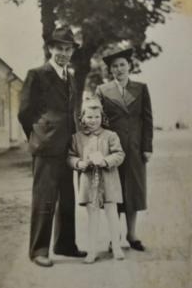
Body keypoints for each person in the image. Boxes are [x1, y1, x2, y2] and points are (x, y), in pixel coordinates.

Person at [18, 25, 86, 267]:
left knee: (67, 198)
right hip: (46, 147)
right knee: (45, 198)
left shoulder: (70, 76)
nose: (64, 53)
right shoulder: (37, 74)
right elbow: (24, 112)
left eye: (68, 49)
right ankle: (39, 250)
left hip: (67, 146)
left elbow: (71, 111)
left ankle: (65, 245)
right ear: (50, 48)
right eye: (59, 48)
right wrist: (37, 137)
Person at [96, 47, 153, 251]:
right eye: (114, 66)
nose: (119, 69)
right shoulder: (102, 91)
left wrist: (147, 147)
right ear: (110, 70)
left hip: (135, 149)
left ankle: (131, 234)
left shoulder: (141, 88)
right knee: (114, 192)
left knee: (134, 192)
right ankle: (115, 235)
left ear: (129, 66)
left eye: (122, 65)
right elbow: (98, 122)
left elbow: (147, 120)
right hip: (112, 151)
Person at [68, 99, 125, 263]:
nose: (93, 120)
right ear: (82, 118)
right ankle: (91, 251)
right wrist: (79, 163)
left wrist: (106, 161)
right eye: (89, 117)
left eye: (97, 117)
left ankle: (116, 247)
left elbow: (120, 154)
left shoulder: (110, 135)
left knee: (112, 215)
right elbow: (70, 157)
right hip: (89, 183)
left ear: (102, 117)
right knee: (92, 217)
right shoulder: (76, 138)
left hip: (109, 181)